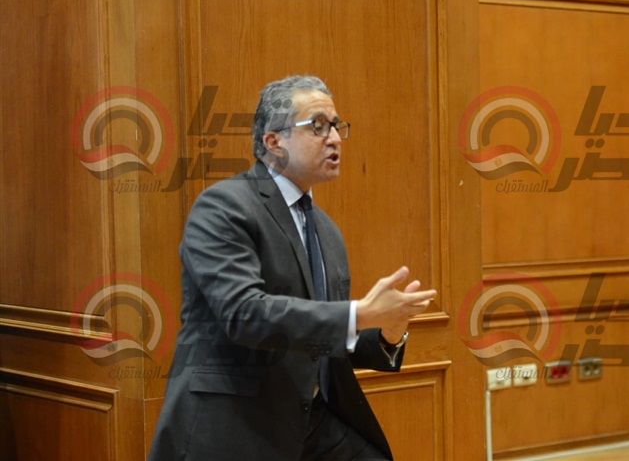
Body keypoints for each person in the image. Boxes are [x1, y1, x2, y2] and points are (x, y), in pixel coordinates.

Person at [148, 75, 436, 461]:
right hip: (235, 422)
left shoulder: (325, 230)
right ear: (273, 142)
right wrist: (359, 314)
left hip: (311, 419)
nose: (334, 138)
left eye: (336, 126)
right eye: (317, 126)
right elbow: (244, 315)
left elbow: (316, 335)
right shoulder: (223, 207)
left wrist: (386, 333)